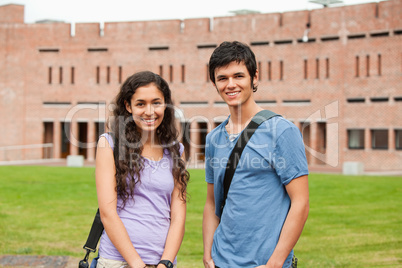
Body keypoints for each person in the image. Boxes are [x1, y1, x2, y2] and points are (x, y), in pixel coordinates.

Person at [202, 41, 309, 268]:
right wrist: (207, 253)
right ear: (214, 83)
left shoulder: (282, 131)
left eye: (238, 76)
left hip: (264, 264)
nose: (230, 84)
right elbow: (212, 203)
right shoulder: (213, 139)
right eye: (222, 78)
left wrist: (275, 263)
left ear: (255, 77)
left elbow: (300, 203)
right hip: (221, 260)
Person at [95, 71, 189, 268]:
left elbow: (178, 214)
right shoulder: (109, 144)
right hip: (118, 261)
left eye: (156, 102)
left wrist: (166, 262)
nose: (149, 111)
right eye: (140, 104)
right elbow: (107, 213)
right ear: (128, 106)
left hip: (163, 262)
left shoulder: (176, 149)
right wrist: (138, 265)